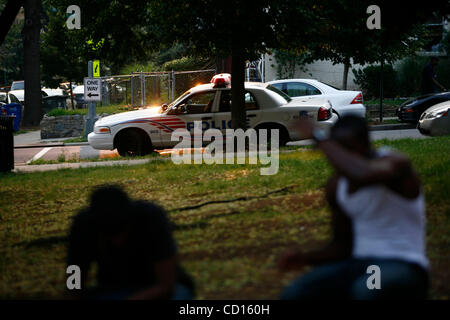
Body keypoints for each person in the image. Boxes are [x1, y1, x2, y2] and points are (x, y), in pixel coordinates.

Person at [279, 116, 429, 299]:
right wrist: (305, 258)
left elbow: (362, 174)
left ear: (364, 145)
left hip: (402, 264)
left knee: (365, 290)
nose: (342, 157)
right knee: (297, 291)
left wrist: (319, 138)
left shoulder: (394, 164)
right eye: (340, 149)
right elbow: (342, 246)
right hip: (358, 264)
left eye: (347, 149)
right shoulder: (337, 186)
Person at [66, 185, 195, 300]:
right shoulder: (83, 226)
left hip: (156, 288)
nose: (116, 241)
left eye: (120, 231)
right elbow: (74, 275)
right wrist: (74, 292)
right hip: (112, 288)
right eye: (108, 233)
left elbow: (166, 285)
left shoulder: (151, 218)